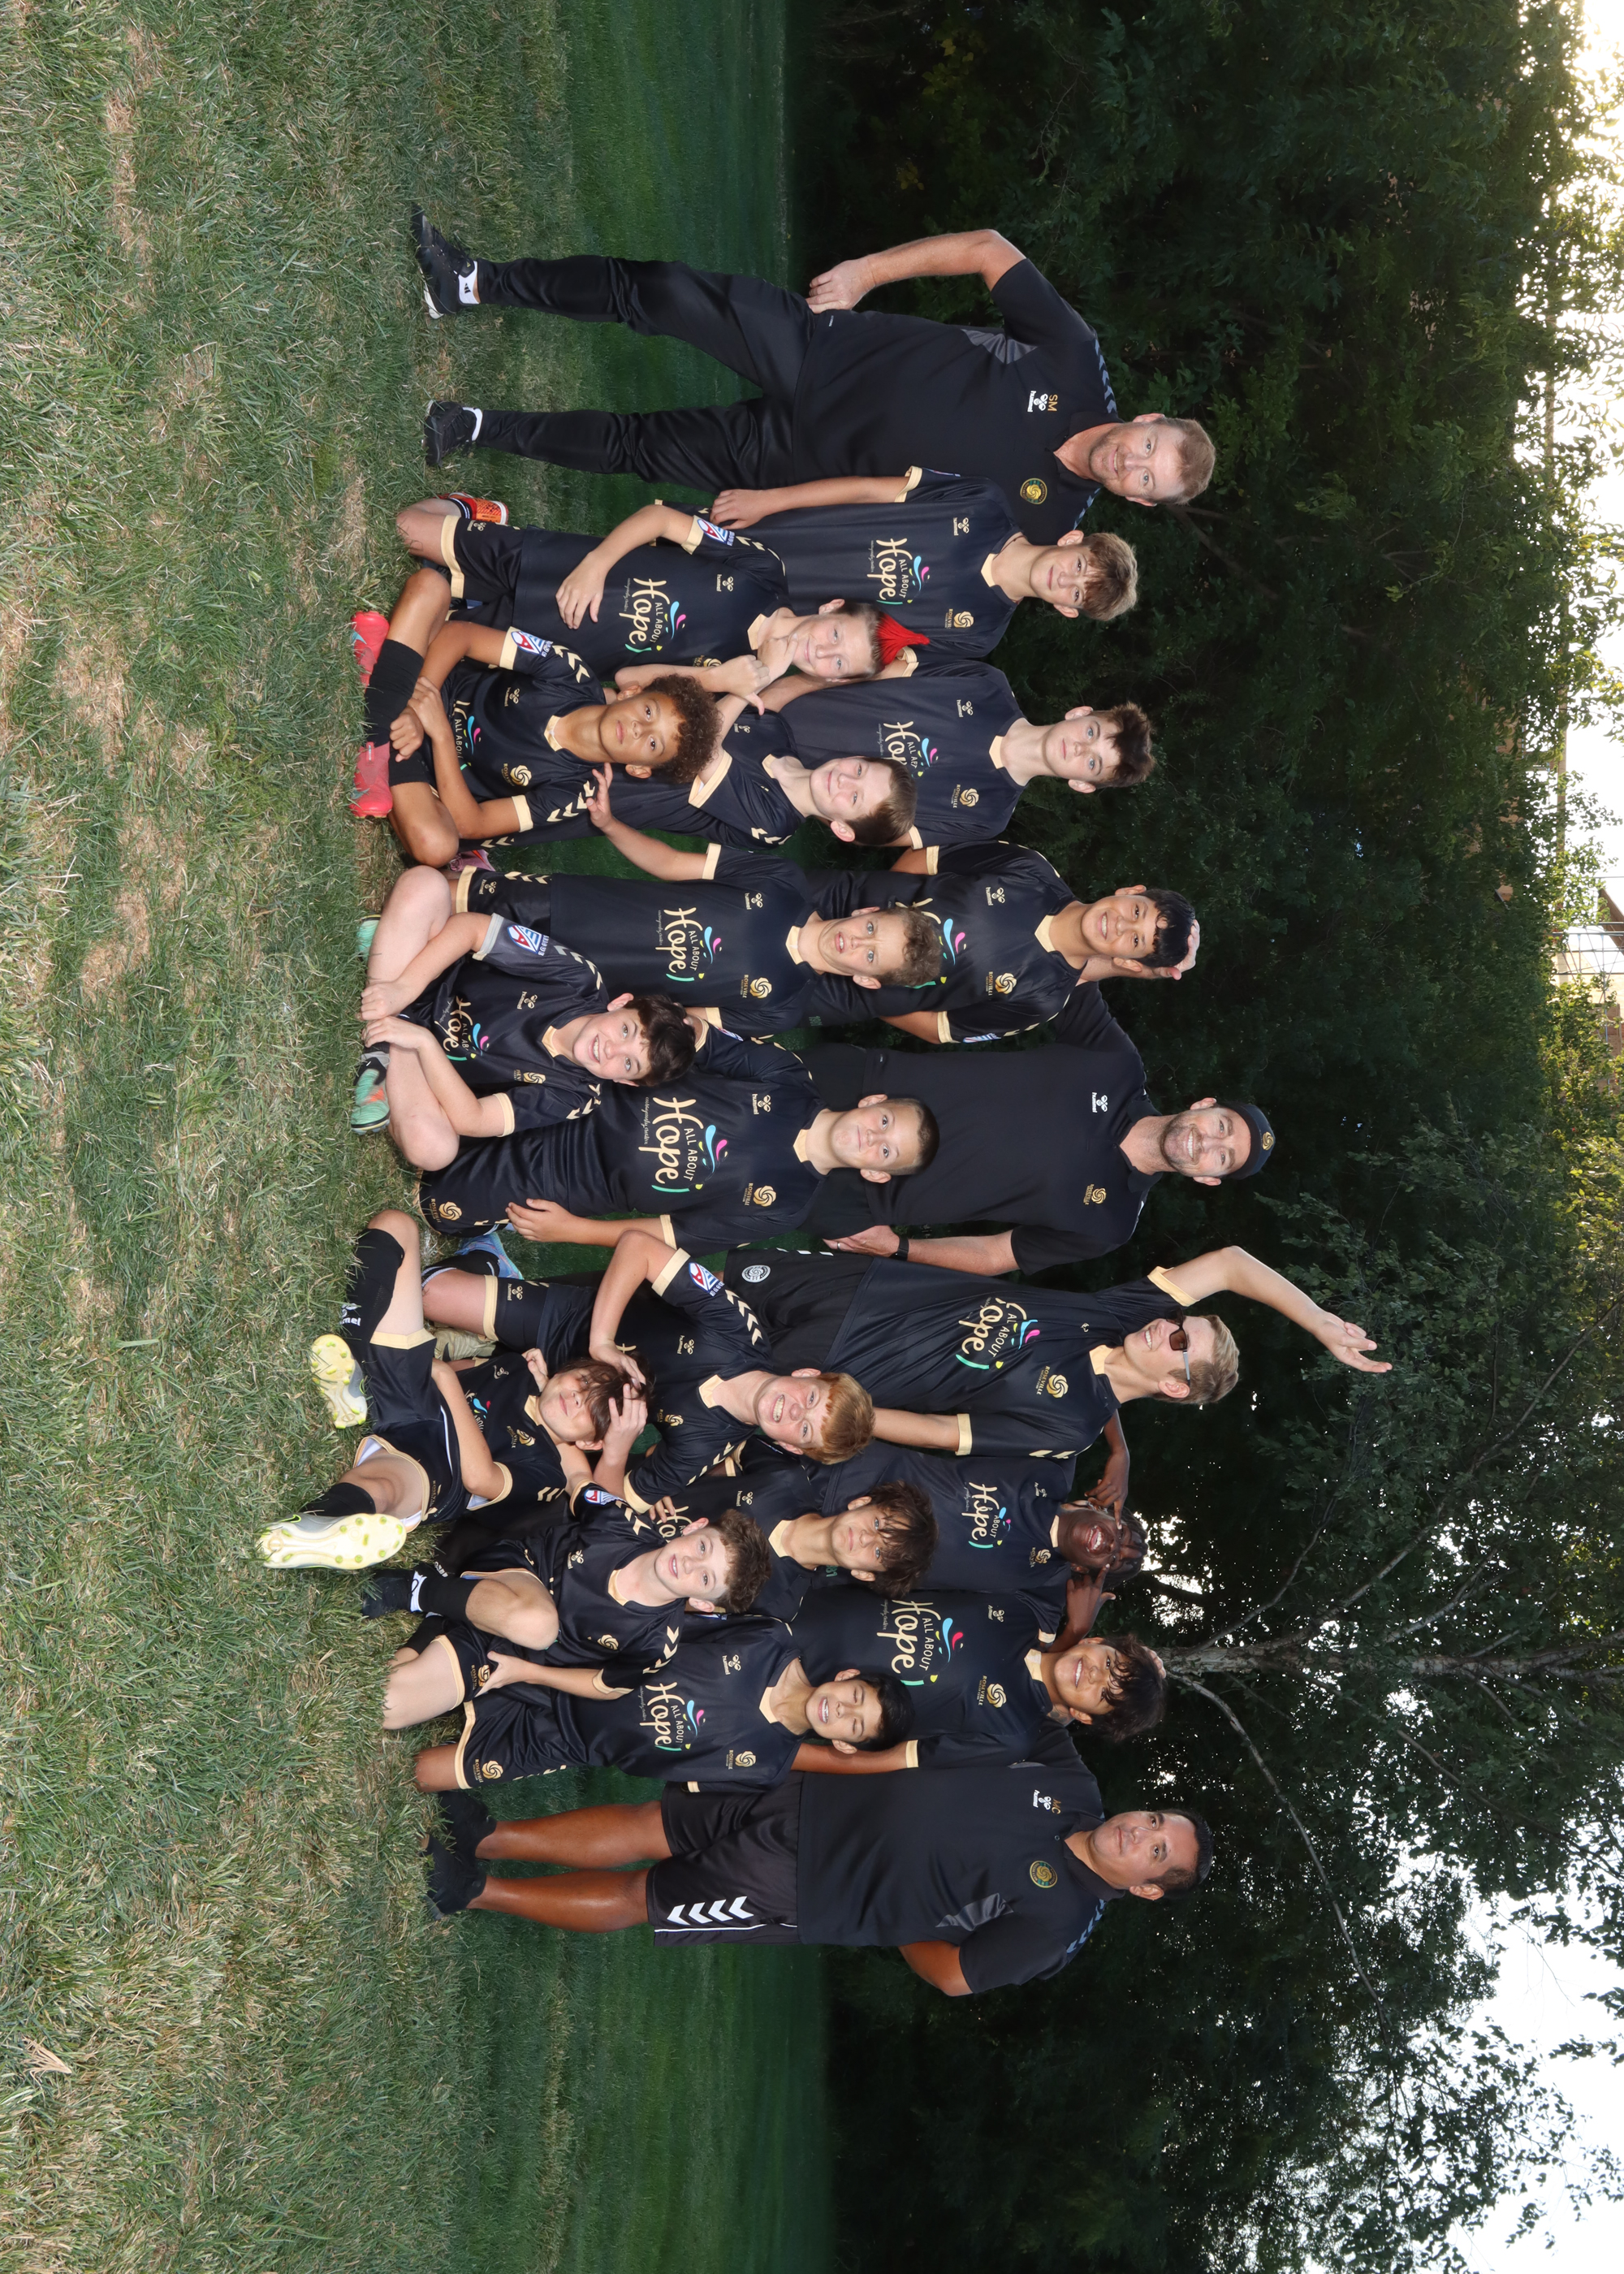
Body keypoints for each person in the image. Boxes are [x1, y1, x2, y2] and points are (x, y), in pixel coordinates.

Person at [410, 219, 1215, 543]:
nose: (1132, 462)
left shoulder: (1050, 523)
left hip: (795, 465)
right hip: (823, 352)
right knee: (659, 291)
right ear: (1148, 419)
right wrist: (866, 271)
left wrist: (784, 513)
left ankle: (474, 427)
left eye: (1147, 479)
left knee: (638, 447)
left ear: (1141, 502)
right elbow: (987, 249)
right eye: (1149, 448)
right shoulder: (1074, 356)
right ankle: (472, 282)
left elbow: (913, 537)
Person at [421, 1742, 1212, 1997]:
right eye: (1154, 1819)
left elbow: (954, 1975)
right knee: (645, 1823)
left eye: (1155, 1851)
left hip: (807, 1887)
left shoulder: (1057, 1927)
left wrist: (891, 1916)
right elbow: (1029, 1696)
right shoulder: (1073, 1784)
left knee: (642, 1894)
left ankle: (476, 1888)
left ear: (1147, 1888)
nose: (1139, 1831)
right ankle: (486, 1835)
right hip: (813, 1789)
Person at [723, 1240, 1391, 1464]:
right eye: (1179, 1322)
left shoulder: (1070, 1428)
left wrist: (836, 1419)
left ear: (1176, 1387)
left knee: (687, 1356)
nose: (1166, 1327)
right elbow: (1233, 1263)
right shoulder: (1120, 1316)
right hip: (860, 1286)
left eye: (1180, 1343)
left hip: (831, 1369)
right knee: (690, 1272)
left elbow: (941, 1433)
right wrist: (1319, 1322)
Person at [802, 983, 1273, 1273]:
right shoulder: (1116, 1064)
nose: (1208, 1141)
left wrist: (898, 1247)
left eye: (1223, 1156)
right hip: (862, 1085)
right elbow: (1067, 967)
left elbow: (996, 1255)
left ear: (1209, 1179)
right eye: (1222, 1125)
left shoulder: (1110, 1224)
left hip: (859, 1196)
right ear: (1205, 1105)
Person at [420, 1228, 877, 1517]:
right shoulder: (739, 1329)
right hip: (575, 1321)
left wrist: (616, 1450)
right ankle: (489, 1268)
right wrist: (601, 1342)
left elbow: (609, 1508)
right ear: (807, 1373)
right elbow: (638, 1246)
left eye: (803, 1428)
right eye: (811, 1399)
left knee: (486, 1419)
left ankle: (492, 1353)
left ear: (789, 1446)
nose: (793, 1410)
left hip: (570, 1406)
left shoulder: (705, 1448)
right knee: (430, 1294)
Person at [443, 776, 943, 1036]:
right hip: (575, 905)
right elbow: (672, 864)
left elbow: (676, 1021)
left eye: (871, 956)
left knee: (456, 968)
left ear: (867, 981)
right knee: (445, 895)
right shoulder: (784, 881)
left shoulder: (781, 1008)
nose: (856, 942)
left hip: (572, 984)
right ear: (865, 913)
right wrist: (612, 825)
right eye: (872, 929)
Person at [257, 1209, 602, 1571]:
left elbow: (480, 1478)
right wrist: (430, 1367)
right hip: (414, 1396)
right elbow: (455, 1370)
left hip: (438, 1467)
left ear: (590, 1442)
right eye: (584, 1382)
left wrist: (445, 1380)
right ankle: (357, 1377)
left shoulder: (548, 1472)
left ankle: (312, 1526)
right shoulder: (520, 1370)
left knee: (384, 1487)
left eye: (594, 1410)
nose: (579, 1398)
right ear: (568, 1369)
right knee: (396, 1226)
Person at [414, 1024, 938, 1251]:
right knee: (453, 1081)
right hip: (577, 1094)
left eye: (885, 1152)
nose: (871, 1138)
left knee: (436, 1196)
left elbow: (672, 1234)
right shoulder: (787, 1076)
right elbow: (696, 1037)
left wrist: (573, 1230)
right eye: (884, 1122)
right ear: (873, 1102)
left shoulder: (787, 1208)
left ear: (876, 1173)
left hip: (570, 1180)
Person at [350, 547, 717, 863]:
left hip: (428, 776)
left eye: (652, 743)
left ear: (638, 769)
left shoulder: (574, 793)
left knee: (437, 846)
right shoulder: (570, 672)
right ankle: (382, 732)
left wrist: (441, 735)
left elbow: (471, 823)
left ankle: (382, 683)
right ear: (630, 692)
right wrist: (416, 709)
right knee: (431, 586)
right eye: (649, 712)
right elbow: (459, 635)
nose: (639, 728)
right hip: (429, 680)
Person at [368, 1481, 774, 1731]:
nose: (689, 1564)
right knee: (537, 1624)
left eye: (705, 1579)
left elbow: (606, 1686)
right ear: (695, 1527)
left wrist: (526, 1673)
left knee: (389, 1705)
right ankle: (417, 1589)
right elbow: (577, 1480)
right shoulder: (621, 1520)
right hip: (511, 1576)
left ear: (703, 1603)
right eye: (702, 1548)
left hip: (508, 1651)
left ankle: (438, 1617)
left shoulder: (658, 1644)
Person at [348, 862, 695, 1145]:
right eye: (626, 1030)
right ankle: (383, 1031)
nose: (611, 1050)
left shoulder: (577, 1096)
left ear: (627, 1083)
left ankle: (386, 962)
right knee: (426, 885)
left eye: (629, 1064)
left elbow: (474, 1119)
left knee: (434, 1149)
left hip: (422, 1060)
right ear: (620, 1003)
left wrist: (424, 1043)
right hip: (430, 977)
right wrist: (405, 988)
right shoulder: (580, 978)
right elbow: (471, 929)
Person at [395, 492, 890, 689]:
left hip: (546, 637)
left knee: (428, 639)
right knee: (405, 528)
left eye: (837, 663)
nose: (822, 651)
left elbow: (627, 679)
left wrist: (721, 680)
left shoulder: (741, 687)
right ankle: (469, 513)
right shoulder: (766, 571)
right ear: (832, 606)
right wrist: (596, 564)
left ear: (834, 681)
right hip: (560, 566)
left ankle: (454, 597)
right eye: (835, 635)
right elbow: (661, 519)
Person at [412, 1612, 914, 1790]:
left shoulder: (766, 1766)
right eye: (855, 1697)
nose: (842, 1711)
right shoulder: (769, 1639)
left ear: (845, 1746)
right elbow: (673, 1628)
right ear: (847, 1676)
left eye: (854, 1726)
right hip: (574, 1666)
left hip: (569, 1740)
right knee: (453, 1659)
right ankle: (437, 1633)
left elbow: (667, 1766)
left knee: (425, 1773)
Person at [797, 845, 1198, 1041]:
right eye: (1137, 911)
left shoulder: (1044, 1000)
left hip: (836, 994)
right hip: (838, 899)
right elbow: (929, 861)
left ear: (1128, 962)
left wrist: (874, 994)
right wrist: (878, 910)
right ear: (1130, 891)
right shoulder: (1032, 870)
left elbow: (940, 1029)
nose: (1122, 924)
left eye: (1135, 940)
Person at [758, 663, 1154, 850]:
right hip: (770, 707)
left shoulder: (987, 817)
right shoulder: (987, 684)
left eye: (1092, 763)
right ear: (1080, 713)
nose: (1080, 748)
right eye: (1091, 733)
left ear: (1082, 785)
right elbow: (865, 672)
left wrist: (795, 799)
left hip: (767, 788)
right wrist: (772, 698)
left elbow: (873, 834)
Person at [788, 1582, 1165, 1769]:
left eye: (1104, 1694)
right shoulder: (1021, 1608)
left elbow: (889, 1760)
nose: (1096, 1674)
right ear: (1096, 1641)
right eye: (1110, 1663)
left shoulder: (1010, 1737)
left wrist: (787, 1756)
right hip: (794, 1599)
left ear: (1083, 1716)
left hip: (780, 1691)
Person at [816, 1443, 1146, 1604]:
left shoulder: (1042, 1582)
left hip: (835, 1560)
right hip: (845, 1472)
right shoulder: (1053, 1467)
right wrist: (1121, 1449)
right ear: (1102, 1507)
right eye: (1121, 1532)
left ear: (1082, 1569)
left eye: (1114, 1559)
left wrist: (1076, 1631)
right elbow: (1090, 1381)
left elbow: (1037, 1673)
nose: (1113, 1544)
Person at [629, 1460, 939, 1620]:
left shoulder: (780, 1605)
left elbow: (691, 1610)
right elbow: (724, 1451)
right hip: (626, 1501)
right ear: (861, 1503)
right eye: (877, 1523)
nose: (865, 1538)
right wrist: (669, 1476)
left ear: (865, 1574)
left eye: (879, 1552)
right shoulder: (787, 1479)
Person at [604, 698, 919, 849]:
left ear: (843, 829)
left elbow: (701, 750)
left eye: (854, 798)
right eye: (859, 770)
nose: (844, 780)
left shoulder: (776, 823)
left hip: (602, 791)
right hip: (610, 727)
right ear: (856, 756)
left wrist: (745, 687)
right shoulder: (776, 728)